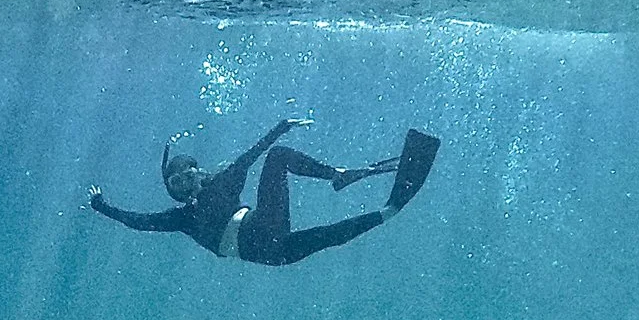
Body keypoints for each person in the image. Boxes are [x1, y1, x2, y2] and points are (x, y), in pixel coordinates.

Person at [89, 118, 439, 267]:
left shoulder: (221, 185)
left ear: (198, 173)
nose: (183, 186)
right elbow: (138, 222)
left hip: (266, 241)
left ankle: (340, 175)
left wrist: (279, 129)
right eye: (175, 183)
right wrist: (102, 206)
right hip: (274, 250)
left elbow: (250, 156)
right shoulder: (181, 217)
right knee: (331, 236)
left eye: (186, 176)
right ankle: (385, 207)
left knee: (278, 159)